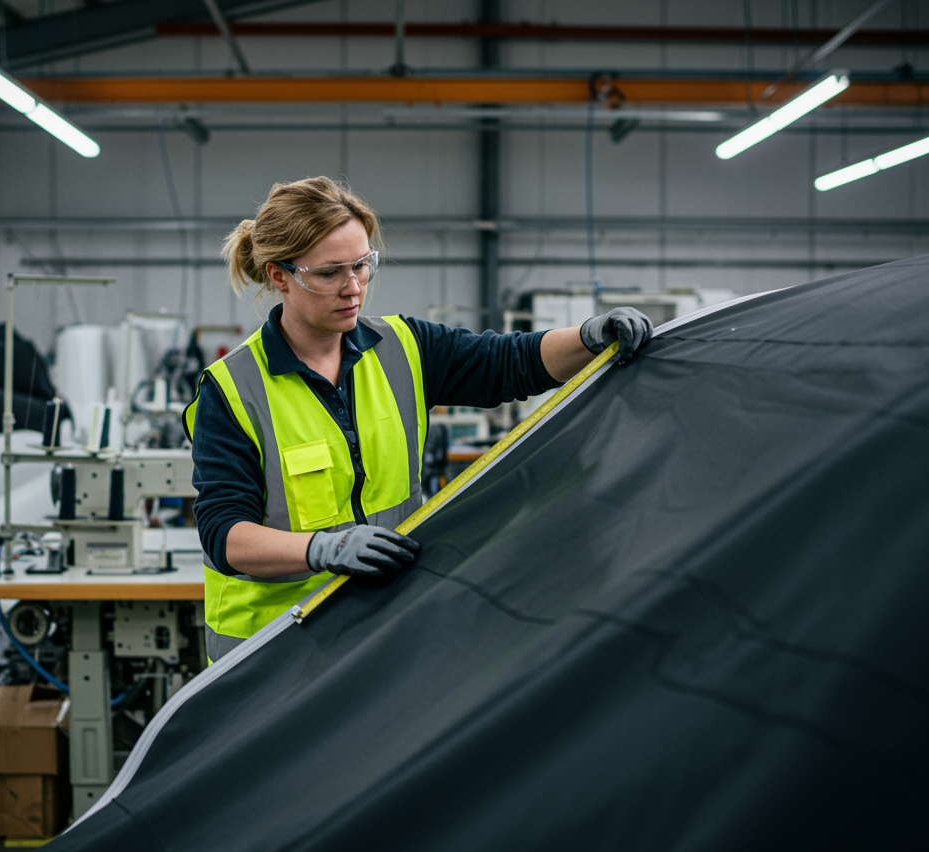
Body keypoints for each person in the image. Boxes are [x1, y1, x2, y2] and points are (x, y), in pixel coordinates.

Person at [183, 177, 651, 661]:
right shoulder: (232, 389)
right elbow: (224, 533)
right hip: (273, 647)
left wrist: (590, 336)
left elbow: (509, 363)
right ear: (279, 276)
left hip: (383, 625)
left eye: (364, 265)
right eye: (329, 273)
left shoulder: (404, 348)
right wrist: (321, 549)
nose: (354, 287)